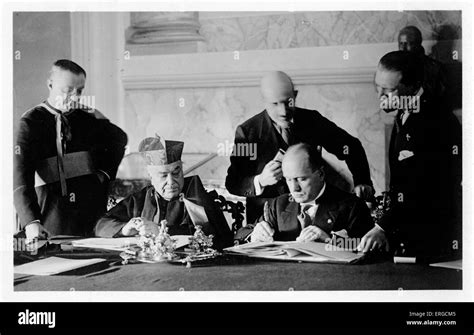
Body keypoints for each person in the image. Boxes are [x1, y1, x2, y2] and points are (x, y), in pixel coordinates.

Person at [225, 71, 374, 224]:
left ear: (295, 95)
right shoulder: (248, 133)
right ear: (264, 101)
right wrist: (260, 181)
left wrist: (362, 181)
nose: (283, 111)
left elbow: (350, 147)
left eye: (287, 102)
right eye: (275, 104)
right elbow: (233, 182)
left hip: (315, 218)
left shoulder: (312, 122)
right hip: (267, 223)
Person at [14, 59, 127, 241]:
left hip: (90, 210)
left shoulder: (89, 117)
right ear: (50, 84)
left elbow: (119, 139)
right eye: (67, 91)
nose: (74, 98)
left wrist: (104, 174)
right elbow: (20, 177)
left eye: (80, 91)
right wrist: (31, 222)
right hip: (52, 212)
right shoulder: (30, 123)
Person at [370, 51, 462, 259]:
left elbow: (420, 185)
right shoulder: (405, 111)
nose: (380, 95)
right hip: (409, 232)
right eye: (378, 87)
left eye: (390, 90)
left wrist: (382, 226)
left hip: (433, 238)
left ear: (412, 86)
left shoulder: (435, 120)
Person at [94, 135, 233, 250]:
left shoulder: (195, 195)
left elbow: (213, 236)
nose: (171, 181)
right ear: (151, 177)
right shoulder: (140, 199)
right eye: (163, 175)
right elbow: (100, 226)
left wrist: (161, 231)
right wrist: (125, 229)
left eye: (176, 172)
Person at [235, 143, 374, 246]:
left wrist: (330, 241)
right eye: (289, 179)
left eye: (301, 179)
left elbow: (368, 246)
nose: (294, 188)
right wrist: (254, 235)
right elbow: (240, 234)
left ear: (320, 174)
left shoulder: (352, 205)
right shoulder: (278, 205)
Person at [397, 26, 448, 107]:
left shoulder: (435, 68)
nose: (403, 48)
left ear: (418, 44)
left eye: (407, 43)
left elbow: (442, 101)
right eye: (401, 43)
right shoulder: (395, 68)